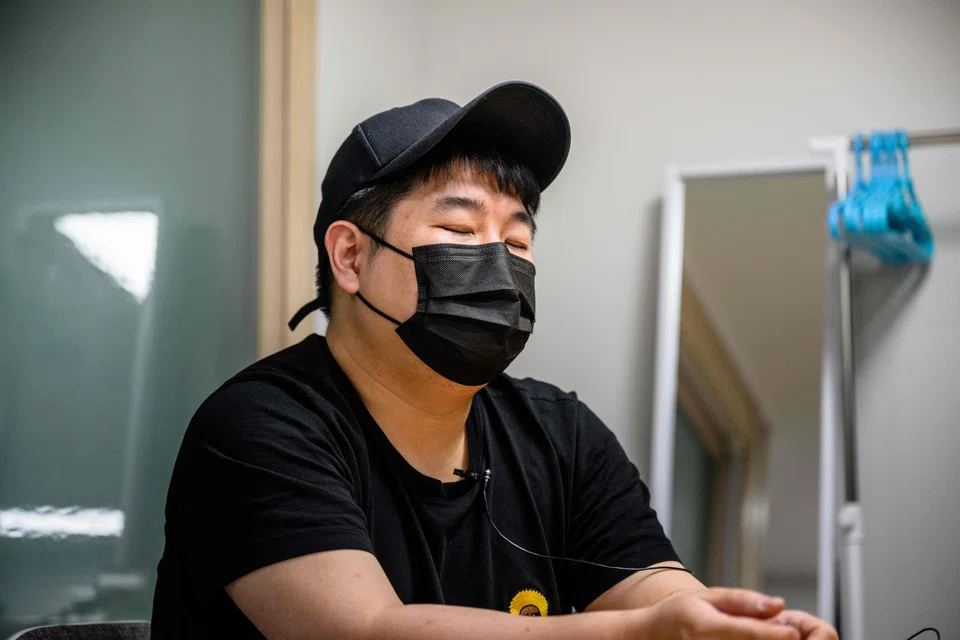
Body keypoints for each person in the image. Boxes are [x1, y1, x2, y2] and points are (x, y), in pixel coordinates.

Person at [151, 81, 836, 640]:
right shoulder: (257, 429)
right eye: (458, 230)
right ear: (351, 257)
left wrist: (726, 627)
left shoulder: (560, 436)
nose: (500, 267)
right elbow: (367, 631)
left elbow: (659, 597)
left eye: (517, 240)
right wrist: (642, 634)